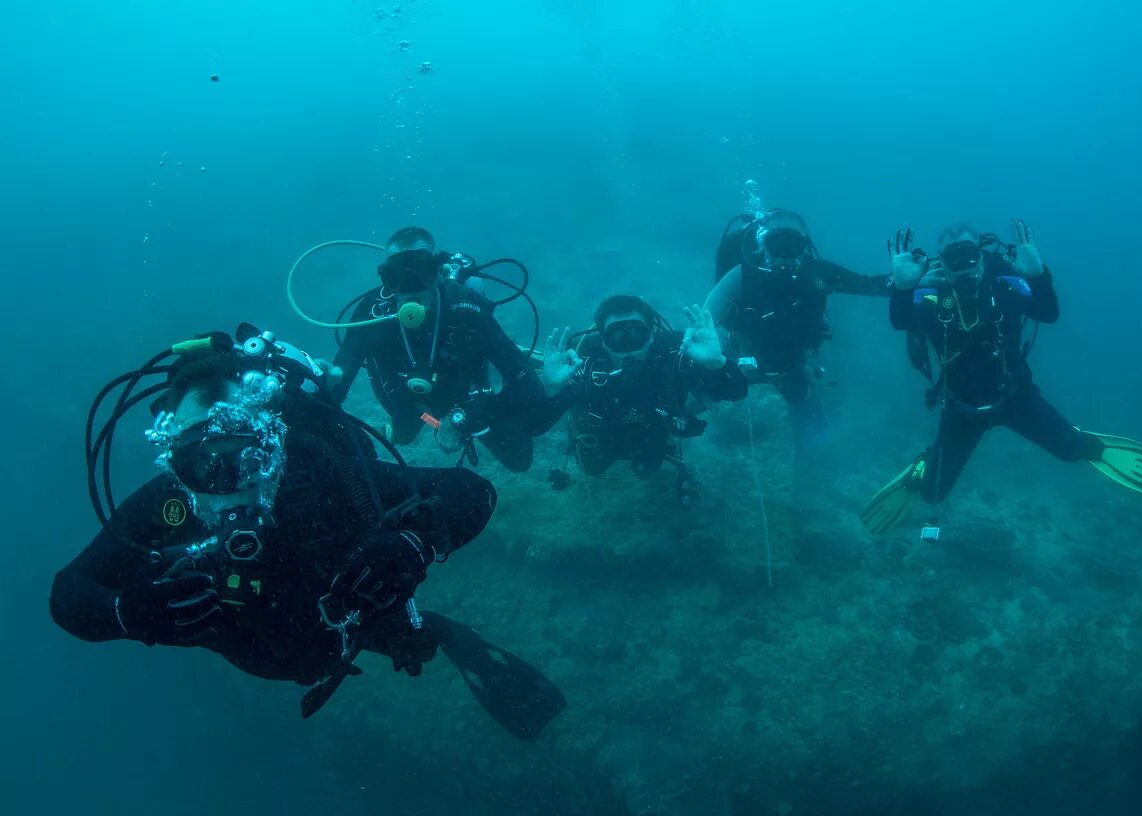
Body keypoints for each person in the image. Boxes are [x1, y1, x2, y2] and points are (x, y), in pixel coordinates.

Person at [51, 326, 565, 737]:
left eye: (245, 456)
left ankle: (433, 633)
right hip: (260, 643)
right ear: (173, 462)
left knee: (406, 629)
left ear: (272, 442)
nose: (226, 485)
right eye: (198, 466)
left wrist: (411, 543)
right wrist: (126, 612)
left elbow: (471, 491)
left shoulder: (320, 474)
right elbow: (69, 594)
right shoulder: (169, 503)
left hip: (354, 622)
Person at [860, 221, 1142, 535]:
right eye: (954, 258)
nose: (964, 267)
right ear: (941, 261)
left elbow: (1048, 313)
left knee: (1072, 450)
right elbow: (901, 321)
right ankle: (923, 466)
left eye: (969, 255)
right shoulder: (928, 293)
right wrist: (903, 288)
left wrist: (1037, 275)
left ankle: (1086, 442)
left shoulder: (1007, 282)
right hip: (961, 407)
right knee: (932, 494)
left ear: (981, 254)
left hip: (1015, 396)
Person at [324, 227, 546, 472]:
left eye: (422, 271)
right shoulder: (372, 314)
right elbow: (338, 377)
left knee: (520, 460)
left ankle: (493, 368)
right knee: (404, 434)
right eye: (396, 276)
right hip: (413, 404)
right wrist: (324, 382)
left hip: (468, 398)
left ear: (438, 272)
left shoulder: (465, 309)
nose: (410, 286)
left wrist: (464, 417)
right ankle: (424, 420)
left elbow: (526, 385)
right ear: (386, 279)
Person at [537, 297, 747, 503]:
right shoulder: (583, 362)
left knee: (649, 469)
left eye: (637, 333)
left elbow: (737, 392)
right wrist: (550, 388)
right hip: (598, 435)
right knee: (592, 469)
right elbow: (537, 423)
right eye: (616, 335)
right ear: (602, 339)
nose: (628, 345)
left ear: (652, 335)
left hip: (653, 431)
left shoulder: (674, 354)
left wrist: (717, 363)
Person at [704, 208, 891, 438]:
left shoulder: (817, 274)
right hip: (745, 359)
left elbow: (869, 285)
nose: (785, 254)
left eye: (793, 245)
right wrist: (707, 352)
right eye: (776, 244)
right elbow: (704, 321)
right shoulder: (742, 276)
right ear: (764, 247)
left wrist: (905, 281)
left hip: (793, 364)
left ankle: (814, 459)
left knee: (806, 414)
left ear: (804, 248)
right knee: (712, 394)